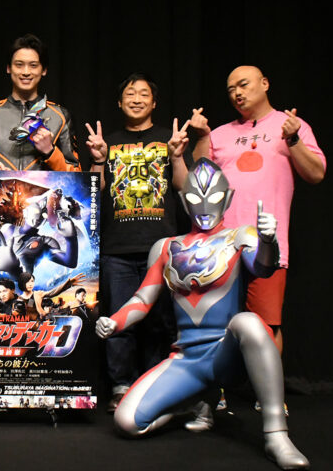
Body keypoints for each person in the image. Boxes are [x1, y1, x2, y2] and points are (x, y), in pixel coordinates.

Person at [95, 158, 309, 470]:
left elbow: (263, 268)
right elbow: (142, 299)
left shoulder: (241, 237)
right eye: (196, 198)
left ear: (228, 198)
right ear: (184, 201)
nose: (205, 206)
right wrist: (113, 322)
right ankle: (192, 402)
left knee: (248, 322)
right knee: (126, 422)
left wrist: (267, 242)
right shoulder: (166, 247)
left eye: (215, 197)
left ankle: (276, 434)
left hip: (227, 354)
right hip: (186, 360)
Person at [190, 65, 326, 355]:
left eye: (243, 85)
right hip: (221, 244)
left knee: (266, 325)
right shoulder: (220, 134)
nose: (237, 94)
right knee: (215, 324)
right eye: (231, 89)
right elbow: (198, 178)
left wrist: (293, 139)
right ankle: (221, 383)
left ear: (264, 83)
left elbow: (316, 173)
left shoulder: (290, 125)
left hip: (266, 243)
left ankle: (268, 386)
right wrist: (202, 136)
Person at [84, 72, 195, 413]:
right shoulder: (110, 142)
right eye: (130, 94)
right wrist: (99, 160)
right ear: (119, 103)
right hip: (116, 249)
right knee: (119, 320)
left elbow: (184, 188)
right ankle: (121, 387)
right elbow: (95, 192)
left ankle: (156, 387)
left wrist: (177, 156)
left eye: (144, 94)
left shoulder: (167, 139)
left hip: (162, 250)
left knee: (160, 323)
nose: (136, 99)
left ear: (154, 102)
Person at [0, 33, 81, 172]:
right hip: (1, 187)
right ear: (9, 68)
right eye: (19, 65)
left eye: (33, 65)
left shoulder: (60, 116)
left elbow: (75, 174)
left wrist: (50, 151)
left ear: (44, 70)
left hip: (45, 187)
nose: (26, 72)